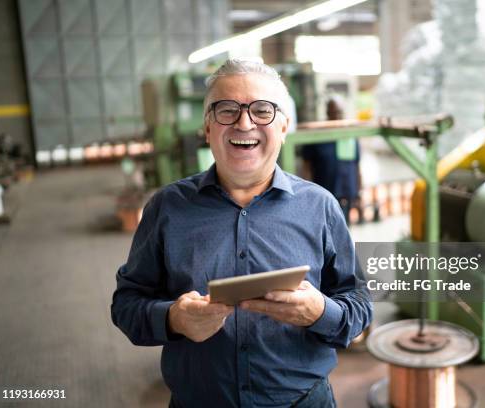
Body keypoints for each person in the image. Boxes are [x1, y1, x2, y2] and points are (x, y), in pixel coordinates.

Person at [111, 59, 372, 408]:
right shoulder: (167, 208)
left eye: (262, 110)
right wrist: (174, 318)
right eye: (227, 109)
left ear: (283, 127)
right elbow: (126, 305)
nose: (244, 122)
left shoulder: (320, 207)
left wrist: (320, 312)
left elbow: (359, 304)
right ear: (207, 128)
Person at [301, 96, 362, 223]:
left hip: (346, 196)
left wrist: (358, 193)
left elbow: (356, 166)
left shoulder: (350, 135)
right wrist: (305, 194)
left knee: (344, 231)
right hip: (323, 197)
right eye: (334, 112)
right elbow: (306, 166)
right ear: (327, 113)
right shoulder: (317, 135)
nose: (338, 116)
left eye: (340, 112)